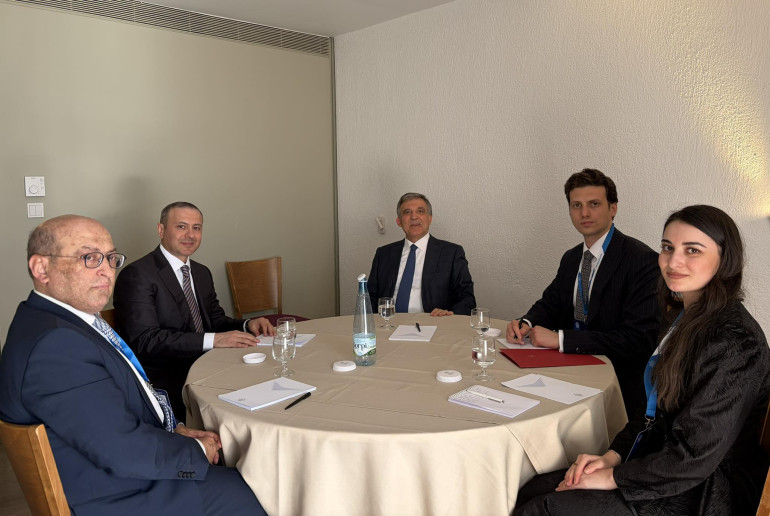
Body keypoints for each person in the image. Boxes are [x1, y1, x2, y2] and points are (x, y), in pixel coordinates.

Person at [0, 215, 266, 516]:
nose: (106, 270)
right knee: (263, 488)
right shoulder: (56, 345)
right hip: (120, 496)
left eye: (111, 258)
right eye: (89, 257)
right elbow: (121, 450)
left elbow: (107, 418)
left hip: (115, 472)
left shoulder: (54, 321)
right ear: (41, 268)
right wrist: (197, 450)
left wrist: (175, 431)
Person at [514, 205, 770, 515]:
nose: (673, 261)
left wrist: (612, 478)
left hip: (702, 490)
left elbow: (694, 458)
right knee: (532, 488)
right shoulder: (681, 317)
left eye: (692, 250)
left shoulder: (736, 341)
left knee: (544, 507)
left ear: (724, 259)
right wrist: (611, 457)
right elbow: (651, 409)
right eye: (668, 247)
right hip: (659, 463)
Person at [506, 169, 660, 416]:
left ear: (613, 209)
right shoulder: (571, 257)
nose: (584, 213)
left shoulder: (641, 260)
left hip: (615, 382)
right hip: (567, 370)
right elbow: (551, 303)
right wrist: (526, 322)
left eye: (594, 204)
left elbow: (637, 340)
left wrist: (561, 340)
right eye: (576, 205)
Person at [113, 202, 274, 420]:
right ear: (161, 230)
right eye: (181, 226)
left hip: (212, 364)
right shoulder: (137, 275)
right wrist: (214, 340)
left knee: (269, 382)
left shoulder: (201, 272)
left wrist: (247, 325)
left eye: (196, 228)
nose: (190, 235)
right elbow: (146, 340)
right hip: (168, 377)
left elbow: (215, 320)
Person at [367, 192, 476, 316]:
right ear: (399, 221)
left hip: (434, 322)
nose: (414, 217)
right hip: (389, 322)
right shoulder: (383, 254)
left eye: (420, 211)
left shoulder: (451, 253)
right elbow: (369, 297)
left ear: (429, 219)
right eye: (407, 212)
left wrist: (450, 314)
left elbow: (467, 298)